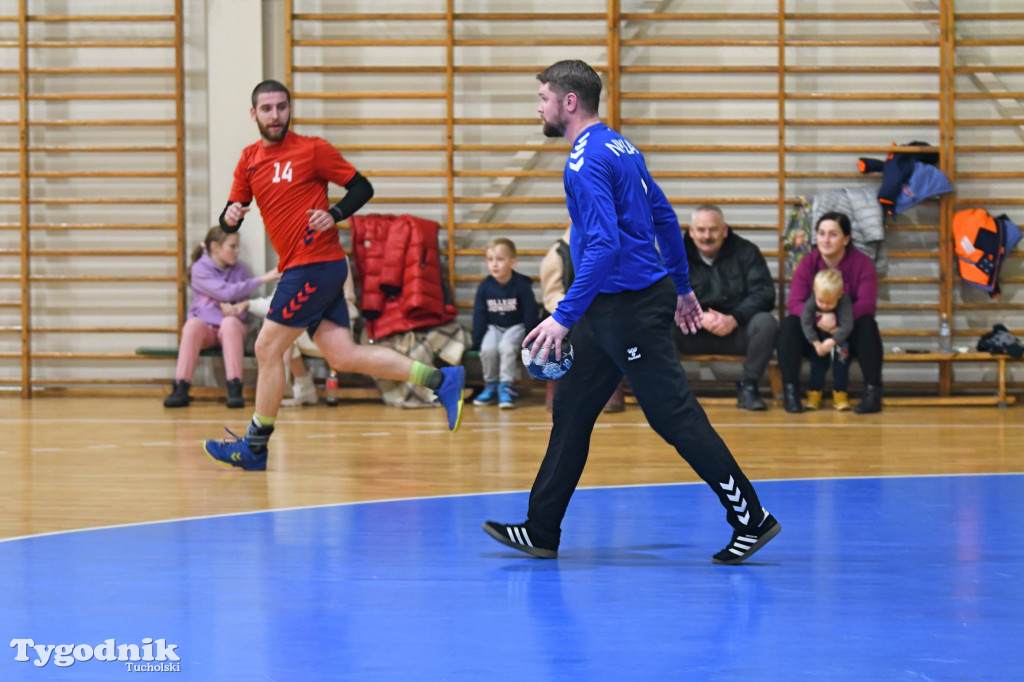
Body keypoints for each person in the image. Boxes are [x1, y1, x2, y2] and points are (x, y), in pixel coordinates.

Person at [481, 60, 780, 565]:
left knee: (673, 416)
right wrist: (683, 288)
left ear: (568, 102)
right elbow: (663, 215)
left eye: (543, 98)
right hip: (614, 306)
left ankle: (751, 516)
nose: (539, 107)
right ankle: (542, 528)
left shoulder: (583, 161)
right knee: (572, 411)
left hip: (629, 309)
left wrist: (562, 315)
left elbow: (601, 247)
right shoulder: (621, 146)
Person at [203, 80, 465, 471]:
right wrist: (229, 217)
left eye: (281, 107)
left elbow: (362, 187)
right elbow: (233, 210)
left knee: (266, 348)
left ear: (289, 109)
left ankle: (255, 447)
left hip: (316, 264)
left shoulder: (312, 150)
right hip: (303, 267)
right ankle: (443, 381)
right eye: (267, 109)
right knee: (343, 356)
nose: (275, 115)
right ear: (253, 114)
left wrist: (336, 214)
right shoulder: (249, 160)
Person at [777, 211, 884, 414]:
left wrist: (839, 319)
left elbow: (867, 304)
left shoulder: (862, 264)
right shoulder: (808, 263)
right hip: (814, 332)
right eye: (821, 233)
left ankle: (872, 393)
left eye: (833, 234)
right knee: (789, 325)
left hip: (847, 331)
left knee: (868, 325)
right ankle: (790, 391)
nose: (825, 240)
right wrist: (819, 319)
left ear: (846, 239)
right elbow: (795, 303)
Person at [675, 204, 778, 410]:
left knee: (766, 323)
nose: (707, 236)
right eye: (701, 230)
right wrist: (697, 316)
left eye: (713, 230)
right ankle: (675, 391)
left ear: (724, 230)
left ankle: (748, 386)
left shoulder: (747, 252)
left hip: (735, 332)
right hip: (690, 333)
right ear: (691, 231)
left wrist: (734, 318)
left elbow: (765, 294)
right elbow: (660, 296)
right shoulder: (674, 255)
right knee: (653, 322)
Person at [163, 226, 279, 409]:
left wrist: (235, 310)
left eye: (237, 246)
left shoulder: (241, 271)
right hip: (206, 329)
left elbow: (243, 306)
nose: (236, 251)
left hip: (231, 329)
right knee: (192, 325)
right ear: (215, 247)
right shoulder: (199, 269)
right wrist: (262, 279)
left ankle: (234, 387)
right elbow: (225, 293)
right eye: (232, 246)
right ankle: (181, 387)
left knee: (230, 323)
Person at [539, 224, 627, 413]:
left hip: (605, 314)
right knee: (552, 332)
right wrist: (576, 309)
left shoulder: (615, 246)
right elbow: (551, 294)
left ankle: (612, 383)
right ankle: (556, 380)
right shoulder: (558, 253)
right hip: (569, 315)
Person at [471, 237, 538, 409]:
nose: (494, 264)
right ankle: (491, 385)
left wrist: (531, 338)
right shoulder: (485, 286)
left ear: (513, 262)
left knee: (507, 348)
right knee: (488, 349)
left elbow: (531, 311)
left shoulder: (522, 285)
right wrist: (478, 338)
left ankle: (506, 387)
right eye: (490, 260)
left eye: (500, 259)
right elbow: (479, 313)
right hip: (494, 327)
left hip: (516, 327)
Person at [800, 269, 853, 411]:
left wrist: (833, 341)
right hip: (819, 340)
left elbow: (848, 324)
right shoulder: (812, 301)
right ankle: (814, 393)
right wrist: (815, 342)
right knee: (817, 365)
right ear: (814, 291)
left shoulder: (844, 301)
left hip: (839, 340)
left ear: (840, 294)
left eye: (829, 303)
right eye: (821, 301)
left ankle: (840, 393)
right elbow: (805, 322)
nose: (824, 306)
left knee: (841, 363)